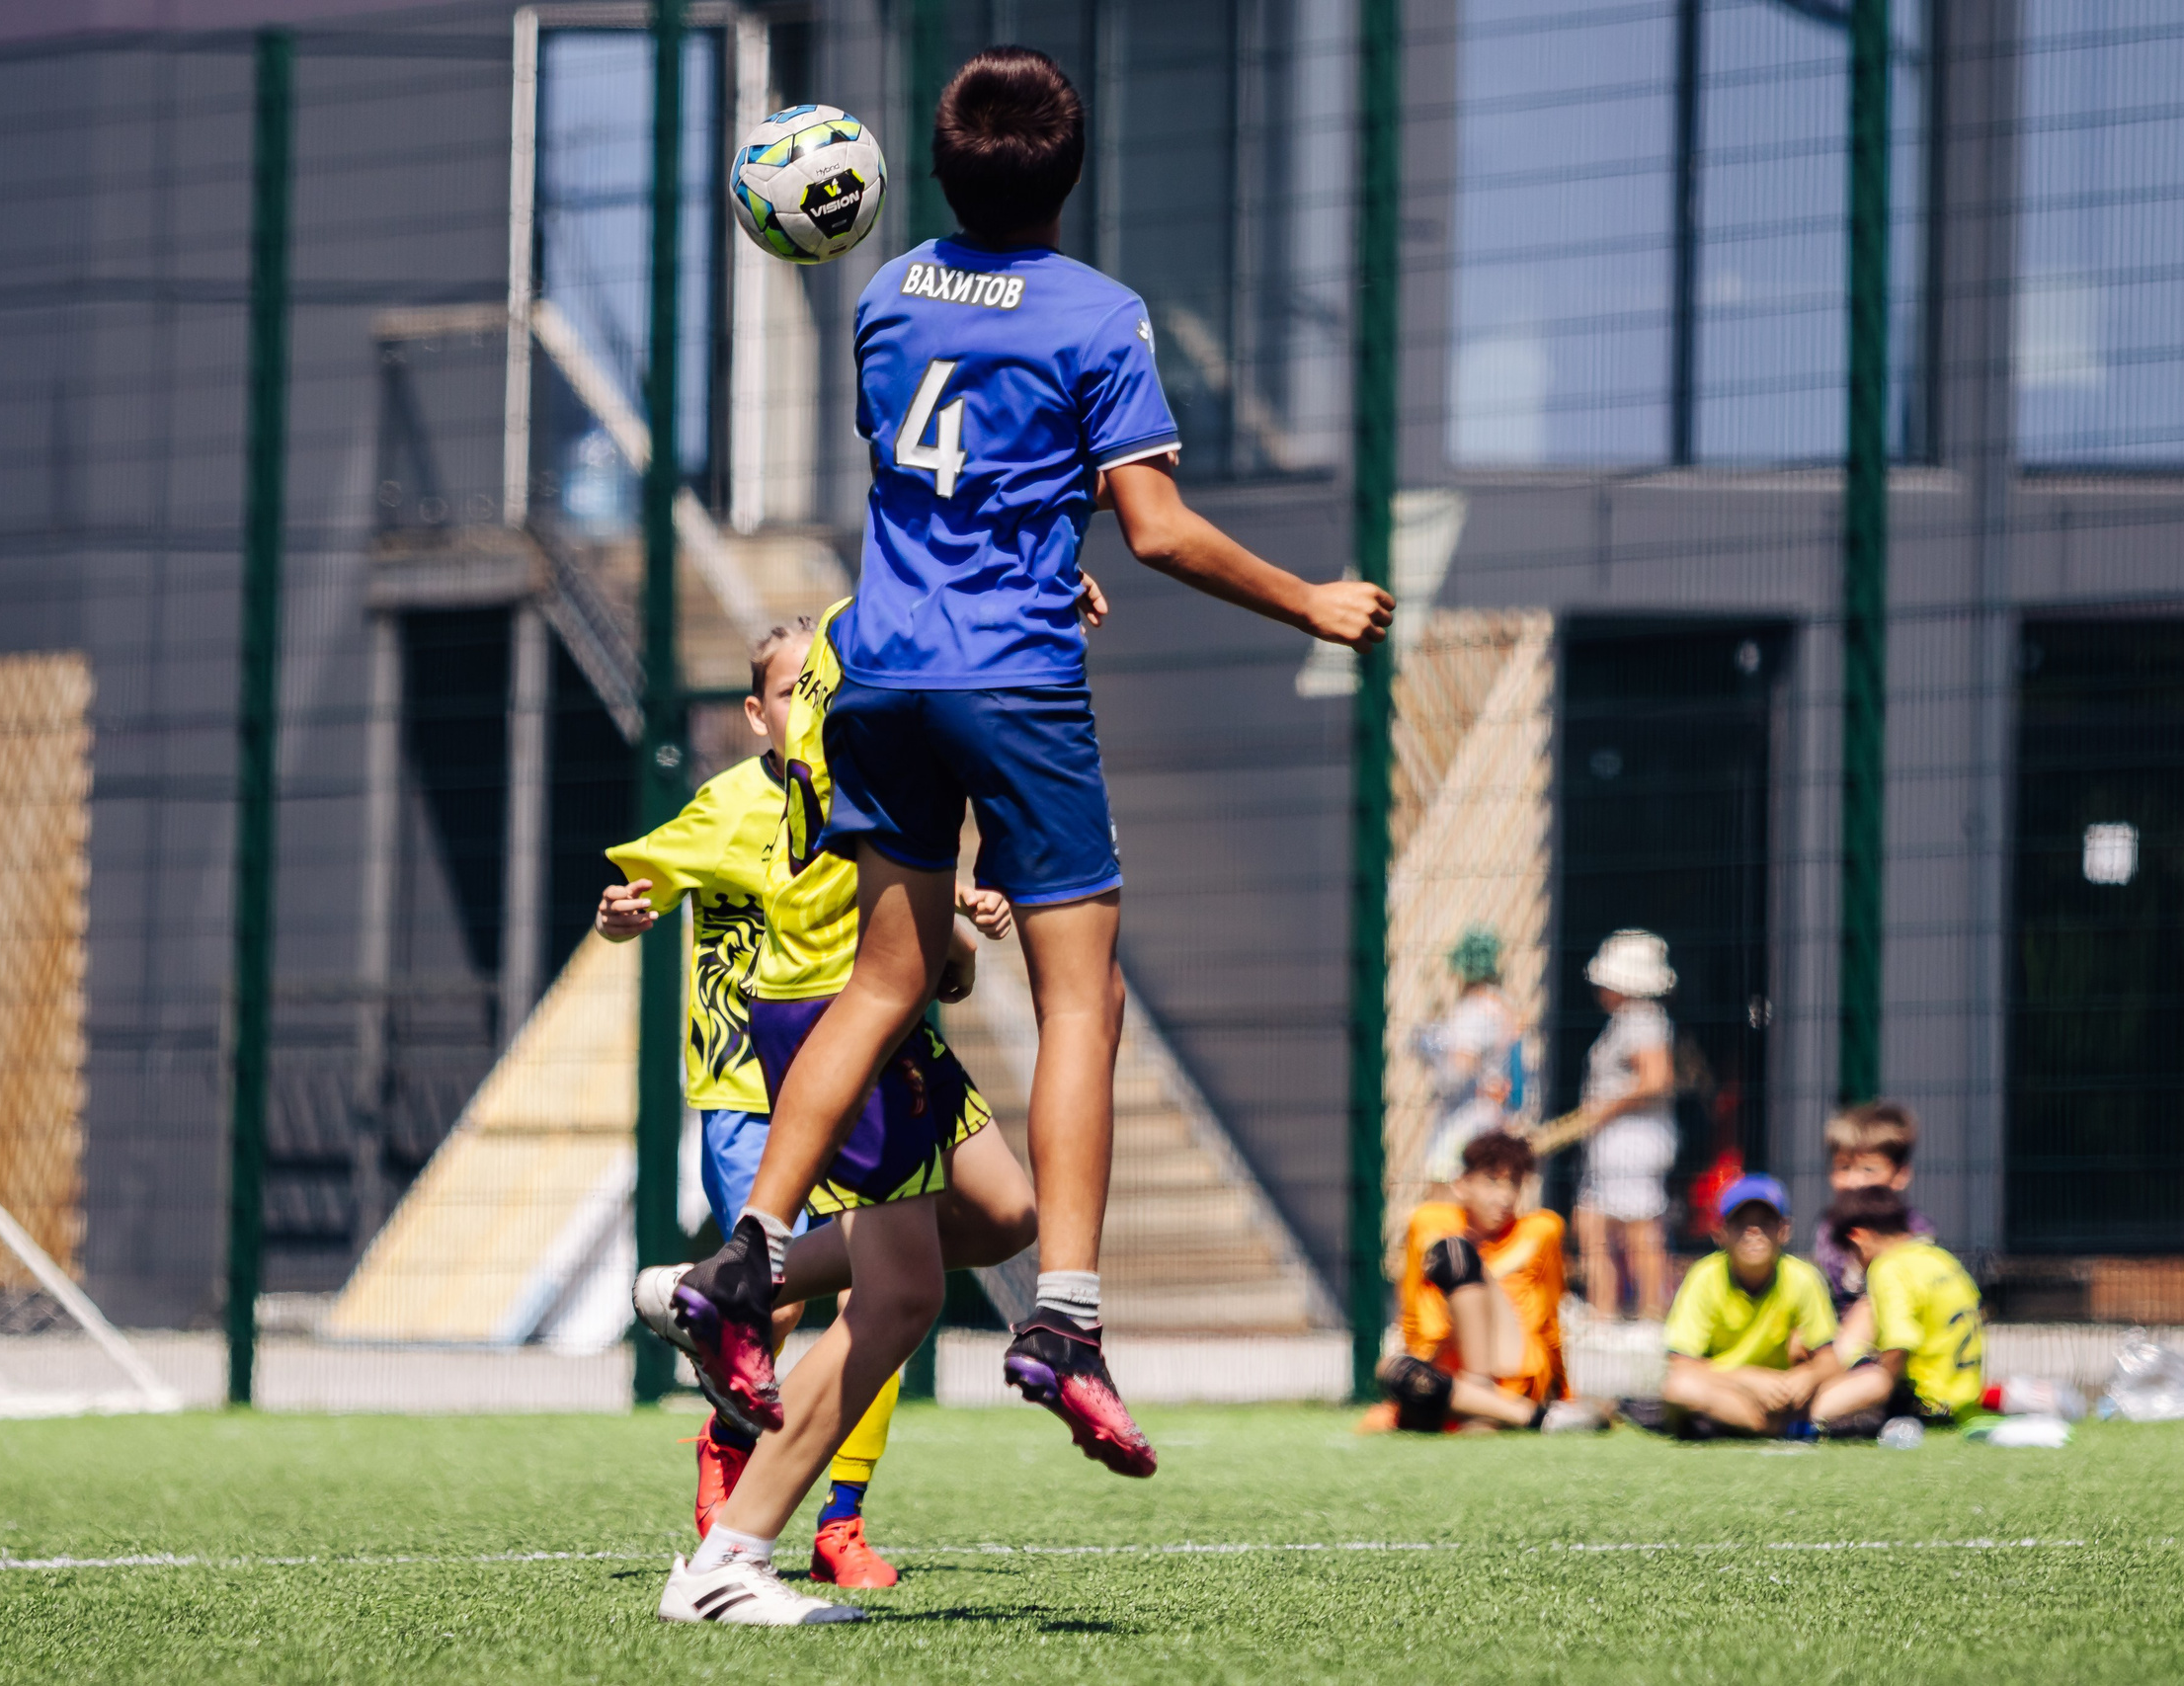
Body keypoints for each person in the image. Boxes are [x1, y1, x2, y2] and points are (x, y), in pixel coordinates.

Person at [674, 44, 1393, 1481]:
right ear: (1073, 173)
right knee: (1083, 997)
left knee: (885, 982)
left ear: (936, 172)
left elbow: (934, 483)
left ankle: (746, 1256)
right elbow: (1160, 527)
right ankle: (1065, 1318)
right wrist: (1313, 600)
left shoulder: (887, 293)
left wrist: (1039, 546)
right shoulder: (1098, 314)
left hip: (880, 671)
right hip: (1012, 682)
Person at [610, 616, 1031, 1606]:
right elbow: (662, 882)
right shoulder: (825, 747)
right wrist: (624, 908)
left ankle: (711, 1292)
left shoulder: (872, 724)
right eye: (792, 689)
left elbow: (905, 915)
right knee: (884, 1293)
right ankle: (776, 1530)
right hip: (791, 1055)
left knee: (1002, 1216)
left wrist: (958, 937)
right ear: (761, 712)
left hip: (886, 1033)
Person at [1369, 1133, 1601, 1433]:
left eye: (1514, 1184)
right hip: (1449, 1375)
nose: (1504, 1197)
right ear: (1461, 1185)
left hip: (1512, 1366)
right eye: (1491, 1182)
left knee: (1457, 1254)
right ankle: (1535, 1418)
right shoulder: (1428, 1222)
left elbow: (1550, 1318)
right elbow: (1412, 1309)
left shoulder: (1541, 1230)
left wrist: (1564, 1392)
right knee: (1392, 1369)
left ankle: (1483, 1392)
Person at [1658, 1174, 1839, 1438]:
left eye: (1765, 1223)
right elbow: (1681, 1365)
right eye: (1741, 1223)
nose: (1753, 1232)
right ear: (1719, 1232)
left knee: (1871, 1383)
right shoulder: (1704, 1277)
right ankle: (1777, 1428)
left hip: (1785, 1394)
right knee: (1678, 1389)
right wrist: (1749, 1379)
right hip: (1725, 1389)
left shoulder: (1803, 1278)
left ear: (1784, 1230)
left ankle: (1764, 1425)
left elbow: (1830, 1363)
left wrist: (1808, 1377)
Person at [1807, 1185, 1983, 1435]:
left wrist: (1863, 1377)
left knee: (1873, 1372)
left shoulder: (1889, 1267)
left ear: (1858, 1238)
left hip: (1926, 1407)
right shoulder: (1942, 1259)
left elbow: (1899, 1345)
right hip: (1963, 1406)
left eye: (1852, 1255)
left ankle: (1804, 1418)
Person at [1574, 929, 1678, 1322]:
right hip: (1615, 1140)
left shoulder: (1642, 1019)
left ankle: (1650, 1314)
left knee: (1638, 1228)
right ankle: (1603, 1313)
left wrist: (1604, 1108)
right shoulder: (1625, 1021)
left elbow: (1656, 1078)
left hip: (1633, 1140)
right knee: (1593, 1222)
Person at [1812, 1099, 1934, 1363]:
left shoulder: (1913, 1232)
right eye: (1844, 1167)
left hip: (1895, 1341)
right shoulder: (1829, 1228)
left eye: (1869, 1169)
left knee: (1869, 1305)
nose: (1855, 1181)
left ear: (1900, 1175)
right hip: (1835, 1334)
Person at [1415, 925, 1524, 1199]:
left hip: (1464, 1121)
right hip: (1492, 1116)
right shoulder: (1501, 1004)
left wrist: (1430, 1050)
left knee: (1444, 1201)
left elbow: (1458, 1068)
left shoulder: (1474, 1010)